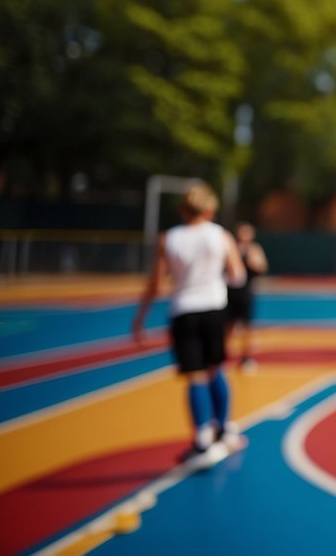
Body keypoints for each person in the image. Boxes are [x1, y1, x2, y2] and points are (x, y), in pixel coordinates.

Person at [132, 182, 246, 467]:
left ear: (182, 209)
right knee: (215, 369)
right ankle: (223, 429)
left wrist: (140, 317)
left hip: (183, 312)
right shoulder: (220, 235)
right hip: (214, 310)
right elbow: (238, 276)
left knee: (195, 377)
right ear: (209, 209)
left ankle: (201, 442)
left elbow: (156, 284)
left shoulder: (168, 239)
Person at [226, 222, 268, 372]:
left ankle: (246, 357)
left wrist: (251, 260)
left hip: (245, 293)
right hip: (229, 292)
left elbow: (262, 267)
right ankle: (224, 356)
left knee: (247, 327)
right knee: (228, 326)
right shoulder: (230, 248)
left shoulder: (254, 249)